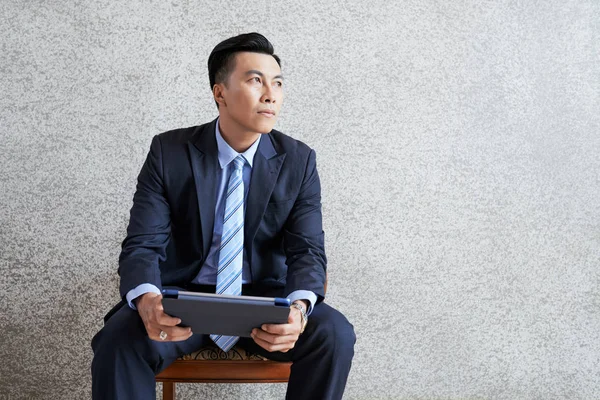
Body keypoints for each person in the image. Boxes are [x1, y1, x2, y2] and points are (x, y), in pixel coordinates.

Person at [91, 32, 355, 400]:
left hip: (265, 304)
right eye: (255, 80)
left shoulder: (299, 161)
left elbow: (307, 251)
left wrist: (297, 309)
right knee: (120, 339)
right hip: (184, 301)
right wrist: (148, 301)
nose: (270, 94)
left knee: (335, 334)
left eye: (277, 83)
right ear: (220, 93)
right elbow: (142, 244)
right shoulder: (169, 152)